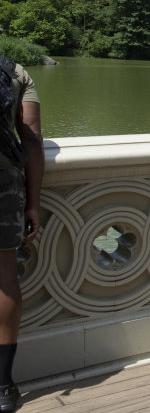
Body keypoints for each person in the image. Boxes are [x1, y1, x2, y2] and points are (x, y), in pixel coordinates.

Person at [0, 56, 43, 413]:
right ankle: (3, 385)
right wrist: (33, 203)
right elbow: (31, 138)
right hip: (4, 183)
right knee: (5, 274)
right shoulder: (15, 73)